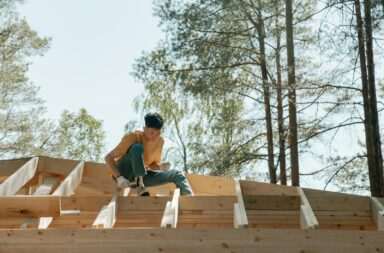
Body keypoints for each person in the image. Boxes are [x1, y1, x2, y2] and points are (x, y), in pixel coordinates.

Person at [105, 112, 193, 196]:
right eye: (152, 133)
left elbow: (152, 165)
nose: (155, 136)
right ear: (144, 129)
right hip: (125, 174)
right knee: (137, 148)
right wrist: (119, 177)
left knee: (177, 174)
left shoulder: (160, 142)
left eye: (158, 133)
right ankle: (140, 184)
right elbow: (108, 158)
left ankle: (189, 200)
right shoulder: (133, 137)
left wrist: (161, 167)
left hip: (142, 177)